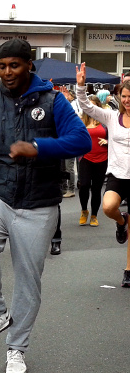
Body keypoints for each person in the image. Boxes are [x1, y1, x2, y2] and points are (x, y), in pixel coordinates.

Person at [0, 38, 91, 373]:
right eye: (3, 66)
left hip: (39, 201)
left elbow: (81, 140)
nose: (8, 72)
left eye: (15, 65)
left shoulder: (53, 102)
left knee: (28, 279)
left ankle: (17, 349)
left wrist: (39, 147)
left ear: (29, 66)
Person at [76, 63, 130, 287]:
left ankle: (128, 270)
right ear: (120, 97)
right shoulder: (111, 117)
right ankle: (121, 221)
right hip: (117, 175)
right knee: (108, 207)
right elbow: (87, 107)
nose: (127, 100)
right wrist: (80, 87)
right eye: (125, 96)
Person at [78, 95, 108, 227]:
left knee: (96, 189)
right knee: (84, 185)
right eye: (88, 105)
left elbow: (114, 138)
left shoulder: (105, 120)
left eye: (93, 105)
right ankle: (84, 210)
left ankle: (94, 215)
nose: (90, 107)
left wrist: (107, 142)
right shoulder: (81, 120)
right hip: (86, 157)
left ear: (98, 106)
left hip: (102, 158)